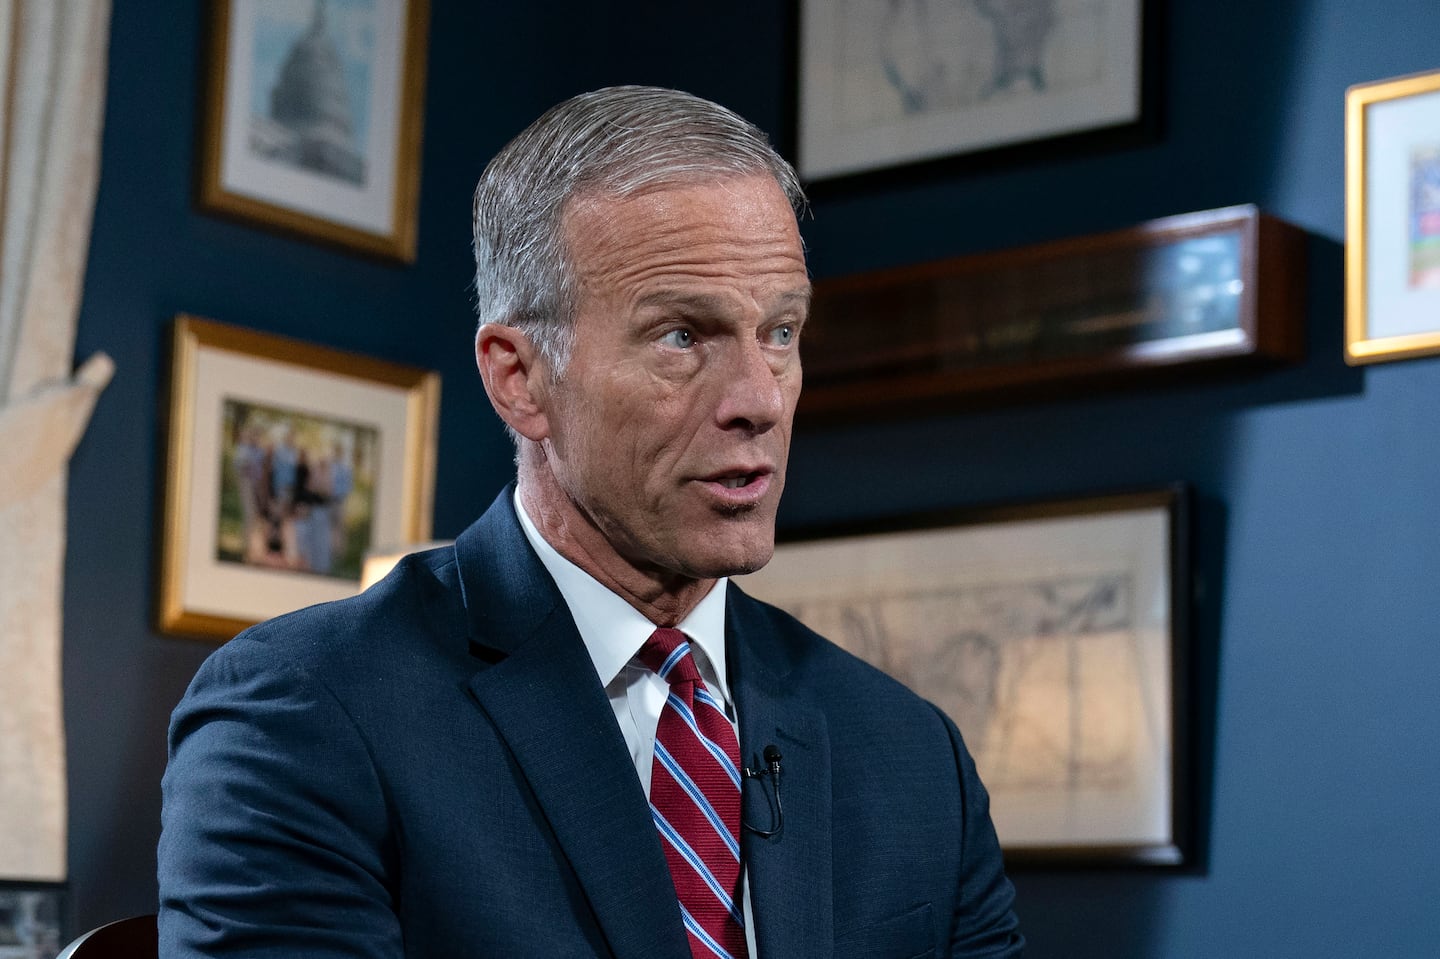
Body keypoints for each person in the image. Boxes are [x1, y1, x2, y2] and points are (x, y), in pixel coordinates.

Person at [158, 85, 1023, 958]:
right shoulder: (305, 712)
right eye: (682, 336)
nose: (760, 399)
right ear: (519, 379)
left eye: (781, 331)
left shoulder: (913, 755)